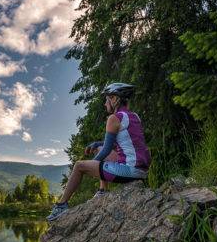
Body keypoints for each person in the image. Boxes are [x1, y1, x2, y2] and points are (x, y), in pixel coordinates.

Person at [46, 82, 151, 222]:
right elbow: (118, 143)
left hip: (129, 171)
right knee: (99, 148)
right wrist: (97, 144)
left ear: (114, 99)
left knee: (79, 166)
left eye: (106, 99)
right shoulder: (134, 117)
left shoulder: (114, 118)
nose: (105, 103)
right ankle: (102, 191)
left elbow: (108, 149)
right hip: (141, 170)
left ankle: (61, 205)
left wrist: (90, 165)